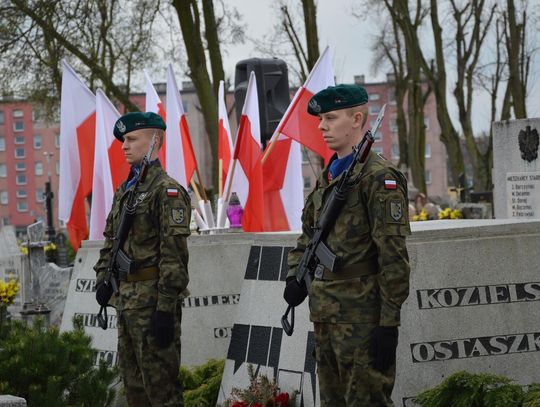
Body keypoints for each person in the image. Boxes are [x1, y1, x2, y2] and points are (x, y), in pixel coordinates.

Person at [283, 84, 411, 406]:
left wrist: (389, 323)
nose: (321, 126)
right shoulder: (329, 178)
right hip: (325, 316)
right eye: (320, 119)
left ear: (356, 119)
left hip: (362, 320)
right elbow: (308, 237)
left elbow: (393, 256)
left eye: (330, 118)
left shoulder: (379, 178)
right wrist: (294, 276)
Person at [94, 112, 191, 407]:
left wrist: (165, 309)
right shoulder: (126, 191)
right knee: (134, 388)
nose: (125, 146)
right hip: (127, 301)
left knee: (161, 391)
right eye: (124, 140)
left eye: (133, 139)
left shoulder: (167, 191)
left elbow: (174, 257)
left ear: (155, 141)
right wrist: (103, 280)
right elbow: (110, 241)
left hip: (152, 304)